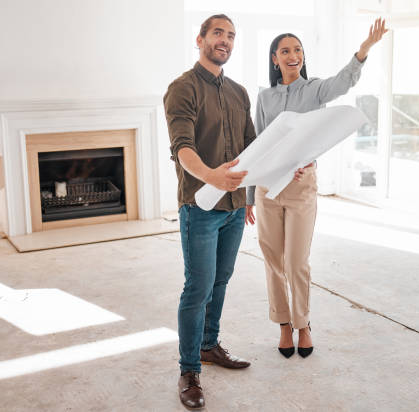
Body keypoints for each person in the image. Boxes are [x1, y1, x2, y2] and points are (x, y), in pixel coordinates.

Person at [247, 18, 388, 358]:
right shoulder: (264, 96)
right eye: (285, 50)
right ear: (274, 59)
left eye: (298, 50)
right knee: (272, 260)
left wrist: (364, 49)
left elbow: (344, 82)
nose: (293, 55)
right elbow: (258, 143)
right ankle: (283, 325)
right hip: (268, 189)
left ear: (303, 57)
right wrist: (249, 196)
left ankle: (303, 324)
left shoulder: (316, 90)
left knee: (296, 261)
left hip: (300, 189)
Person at [164, 14, 256, 410]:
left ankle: (209, 345)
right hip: (200, 208)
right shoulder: (182, 88)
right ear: (199, 39)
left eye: (231, 35)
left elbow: (254, 146)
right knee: (197, 288)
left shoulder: (238, 92)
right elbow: (181, 147)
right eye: (218, 33)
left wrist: (251, 194)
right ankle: (189, 370)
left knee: (221, 280)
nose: (225, 40)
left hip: (235, 208)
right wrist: (209, 177)